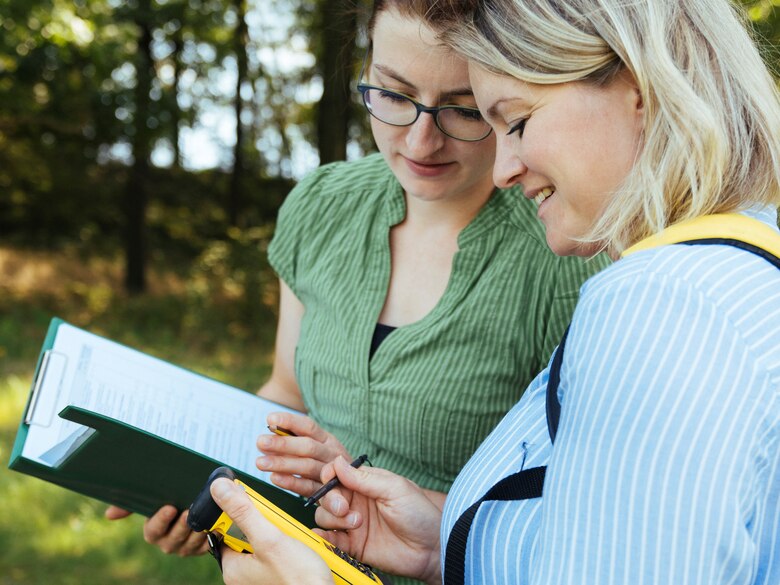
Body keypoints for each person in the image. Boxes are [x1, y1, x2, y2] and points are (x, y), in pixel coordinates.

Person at [203, 0, 780, 583]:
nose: (504, 169)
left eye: (515, 121)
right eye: (394, 94)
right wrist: (440, 549)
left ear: (641, 89)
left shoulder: (662, 312)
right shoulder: (736, 271)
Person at [105, 0, 607, 572]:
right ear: (365, 71)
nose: (420, 143)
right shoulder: (321, 205)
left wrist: (428, 530)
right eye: (393, 95)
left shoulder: (566, 255)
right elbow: (286, 393)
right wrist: (198, 485)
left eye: (464, 111)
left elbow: (579, 511)